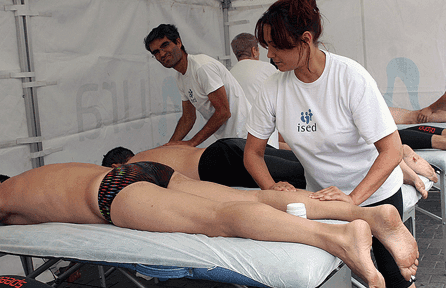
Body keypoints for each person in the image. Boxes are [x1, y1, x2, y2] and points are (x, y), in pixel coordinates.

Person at [0, 162, 418, 288]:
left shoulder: (6, 194)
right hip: (140, 171)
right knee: (248, 196)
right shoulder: (31, 177)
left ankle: (338, 237)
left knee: (216, 221)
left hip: (110, 193)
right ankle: (364, 214)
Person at [243, 0, 414, 288]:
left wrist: (352, 201)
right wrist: (271, 188)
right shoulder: (272, 88)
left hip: (376, 196)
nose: (269, 55)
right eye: (266, 46)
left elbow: (391, 150)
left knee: (396, 280)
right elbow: (252, 153)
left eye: (276, 47)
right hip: (320, 201)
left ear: (306, 40)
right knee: (344, 277)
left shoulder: (350, 77)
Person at [144, 24, 251, 147]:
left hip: (247, 136)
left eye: (165, 45)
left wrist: (192, 142)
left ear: (178, 42)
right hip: (231, 141)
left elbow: (223, 112)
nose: (162, 54)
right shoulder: (180, 77)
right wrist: (170, 146)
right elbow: (188, 117)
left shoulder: (202, 67)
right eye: (156, 52)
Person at [101, 138, 306, 189]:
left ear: (115, 167)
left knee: (302, 175)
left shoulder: (134, 167)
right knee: (305, 164)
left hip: (218, 162)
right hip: (224, 147)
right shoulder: (155, 151)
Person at [230, 33, 280, 148]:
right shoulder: (267, 68)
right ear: (254, 50)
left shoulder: (230, 74)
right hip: (265, 138)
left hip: (237, 139)